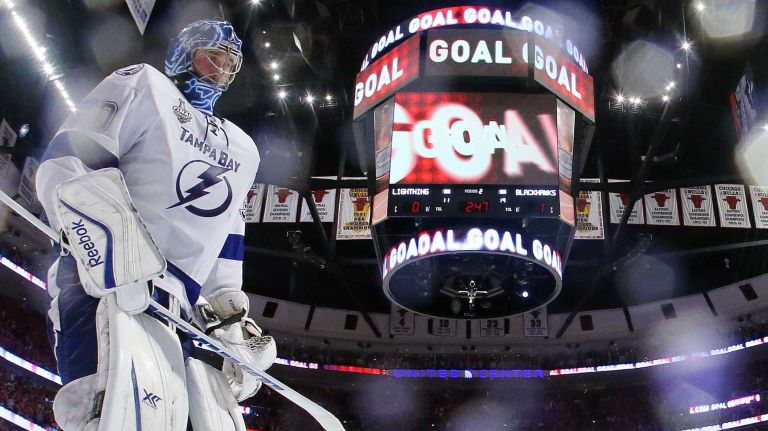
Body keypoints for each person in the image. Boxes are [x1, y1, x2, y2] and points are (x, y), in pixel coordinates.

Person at [36, 19, 276, 430]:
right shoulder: (144, 85)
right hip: (100, 287)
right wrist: (103, 247)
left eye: (227, 63)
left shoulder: (243, 150)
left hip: (177, 312)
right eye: (210, 58)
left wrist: (231, 321)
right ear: (185, 55)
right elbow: (66, 162)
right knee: (101, 414)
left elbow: (225, 238)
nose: (219, 71)